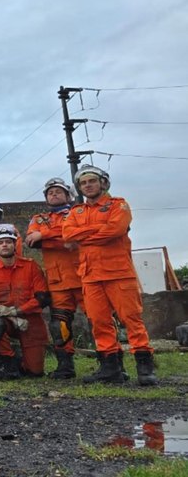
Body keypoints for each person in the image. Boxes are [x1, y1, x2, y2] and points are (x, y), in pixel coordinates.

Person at [63, 165, 157, 385]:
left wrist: (83, 236)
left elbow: (115, 230)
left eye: (92, 181)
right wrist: (98, 230)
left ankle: (145, 367)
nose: (88, 185)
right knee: (99, 322)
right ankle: (110, 369)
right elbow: (67, 234)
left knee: (131, 320)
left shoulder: (119, 205)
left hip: (119, 273)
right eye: (83, 183)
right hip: (90, 276)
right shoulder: (76, 212)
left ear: (103, 183)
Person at [25, 178, 84, 379]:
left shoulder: (79, 213)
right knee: (59, 324)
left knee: (99, 320)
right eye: (50, 192)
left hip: (84, 276)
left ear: (68, 195)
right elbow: (32, 241)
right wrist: (57, 239)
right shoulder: (38, 218)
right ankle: (65, 366)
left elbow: (78, 236)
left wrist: (45, 236)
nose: (54, 195)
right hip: (57, 281)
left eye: (58, 191)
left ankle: (110, 363)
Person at [0, 224, 50, 378]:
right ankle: (7, 363)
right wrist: (11, 316)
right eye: (0, 242)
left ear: (15, 245)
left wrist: (17, 311)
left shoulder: (31, 266)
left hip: (30, 320)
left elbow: (43, 298)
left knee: (35, 372)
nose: (4, 245)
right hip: (6, 320)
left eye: (8, 241)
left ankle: (21, 361)